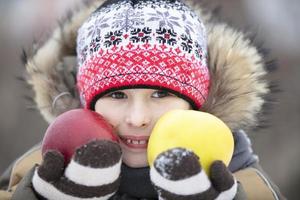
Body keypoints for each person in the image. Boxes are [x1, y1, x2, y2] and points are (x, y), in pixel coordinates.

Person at [0, 0, 285, 199]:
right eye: (117, 95)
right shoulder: (43, 169)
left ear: (196, 101)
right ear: (88, 101)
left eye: (160, 94)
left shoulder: (240, 178)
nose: (137, 118)